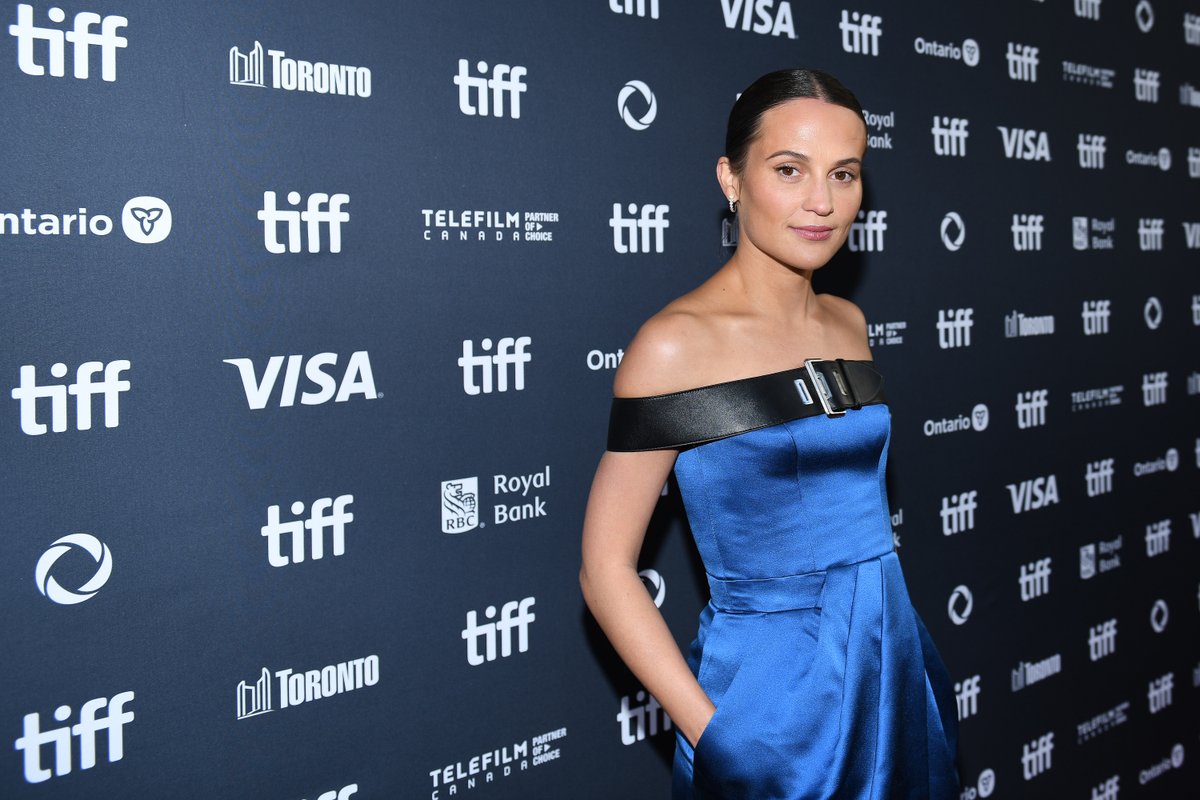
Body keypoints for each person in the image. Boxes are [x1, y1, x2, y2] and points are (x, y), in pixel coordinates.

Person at [579, 69, 959, 799]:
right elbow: (604, 568)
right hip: (772, 703)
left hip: (894, 670)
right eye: (790, 170)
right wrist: (712, 730)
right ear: (732, 178)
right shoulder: (673, 346)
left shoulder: (851, 324)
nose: (822, 202)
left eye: (843, 174)